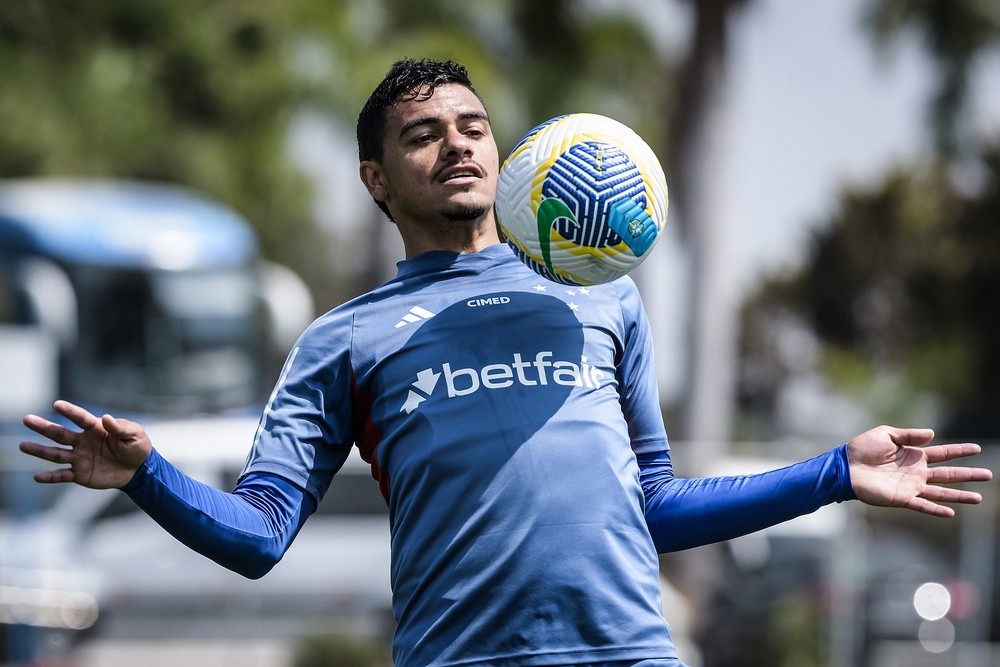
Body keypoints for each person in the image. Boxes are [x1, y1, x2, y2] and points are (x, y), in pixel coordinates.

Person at [20, 58, 992, 667]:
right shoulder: (341, 338)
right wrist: (146, 474)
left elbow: (649, 504)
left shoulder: (603, 294)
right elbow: (262, 535)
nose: (456, 144)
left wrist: (834, 474)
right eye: (422, 133)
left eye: (472, 127)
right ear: (374, 176)